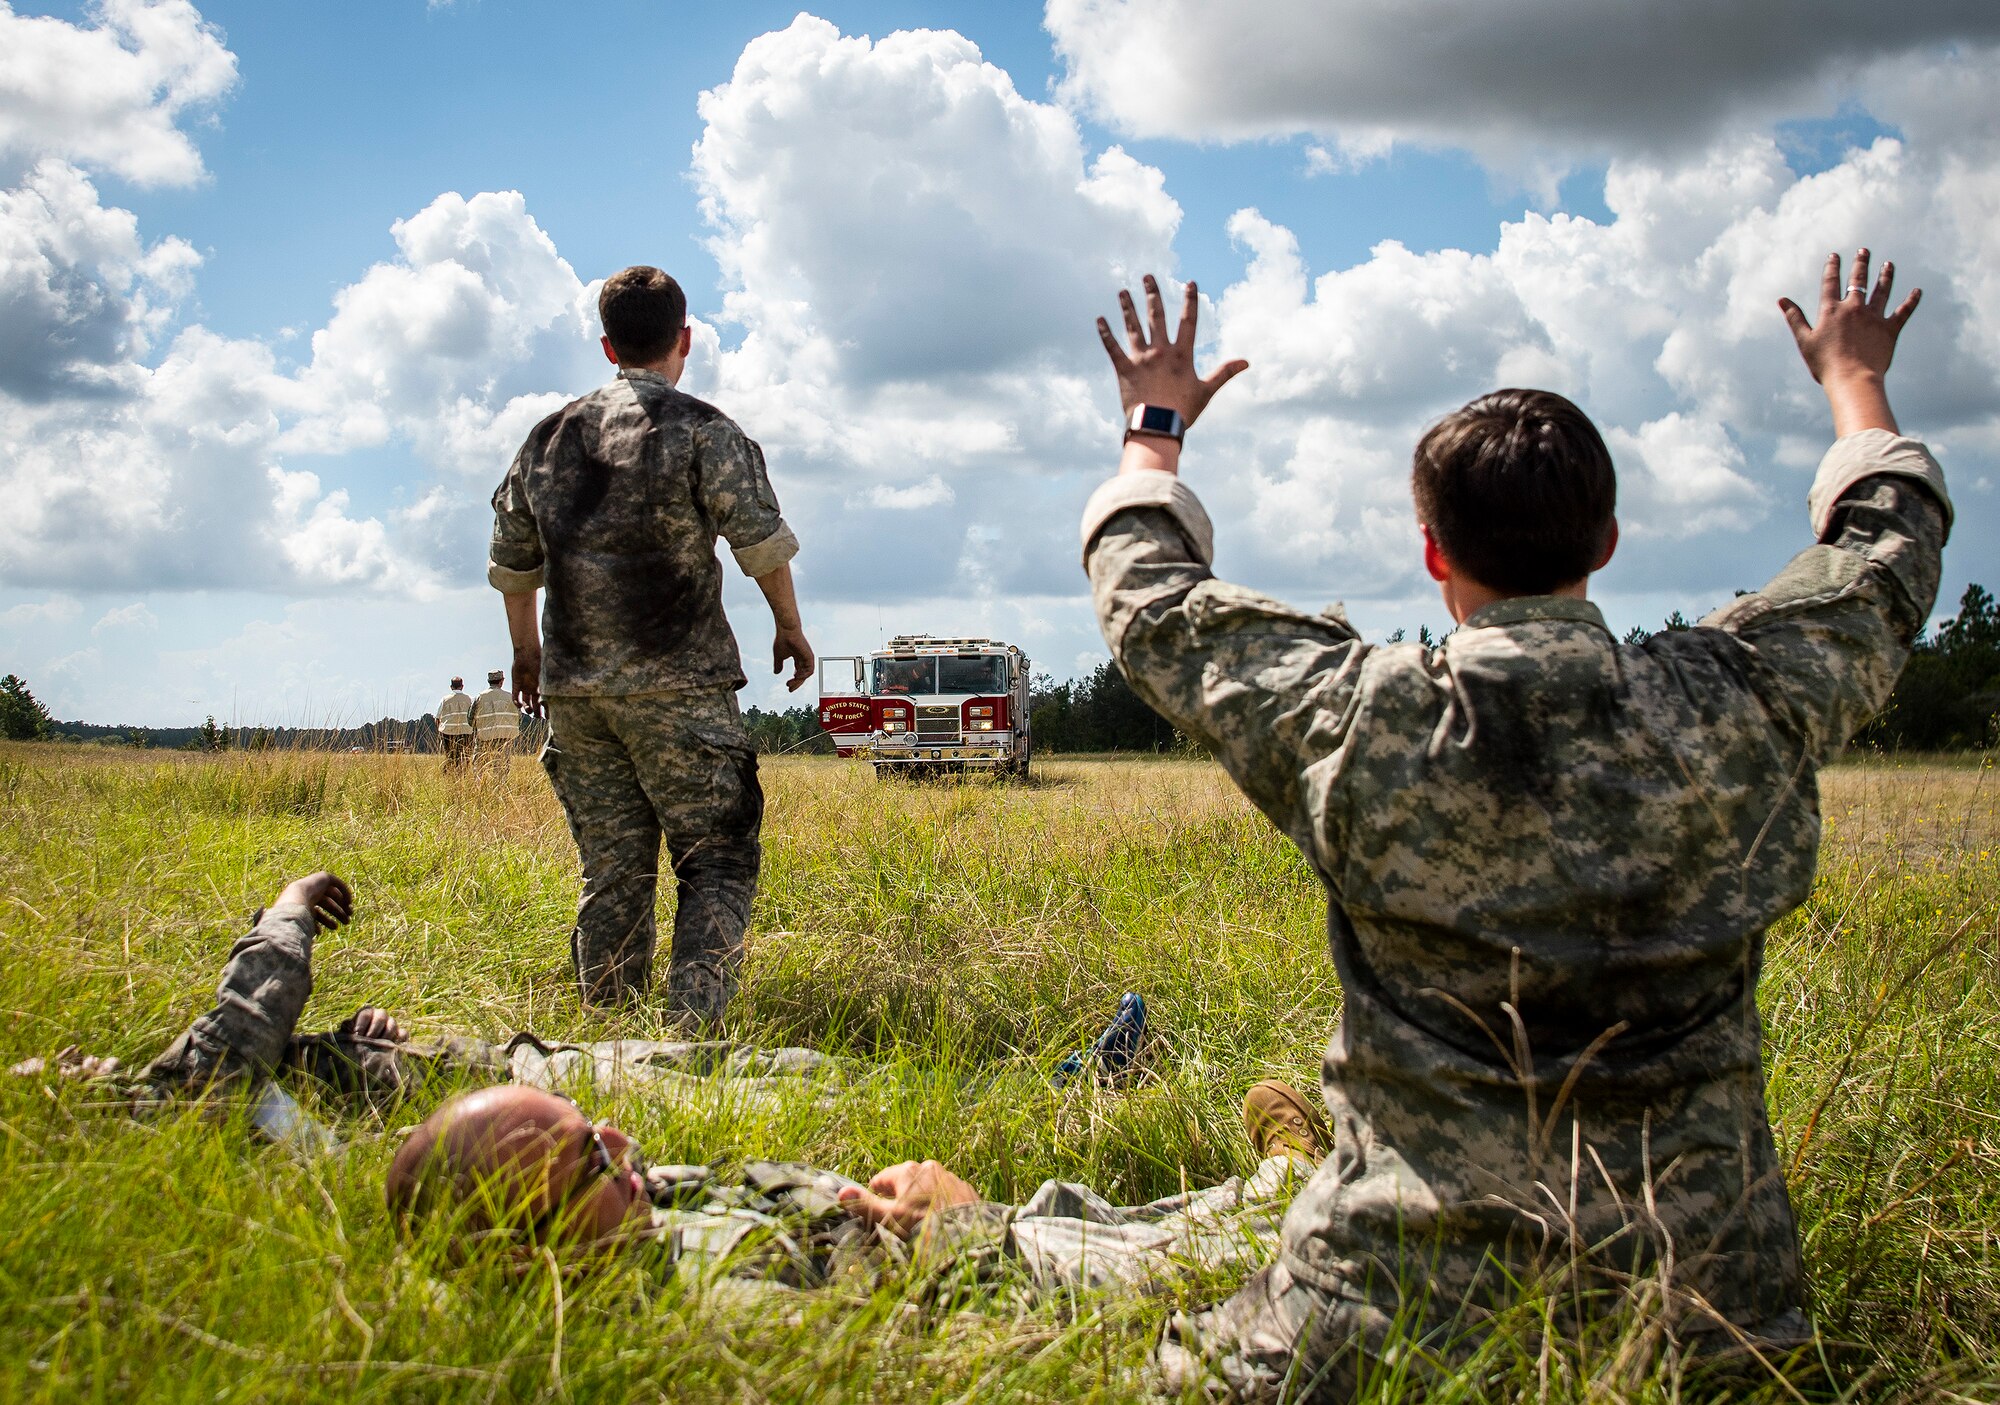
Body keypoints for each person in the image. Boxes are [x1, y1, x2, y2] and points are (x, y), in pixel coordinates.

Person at [1076, 249, 1948, 1397]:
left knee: (1048, 1266)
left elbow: (1149, 597)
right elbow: (1883, 551)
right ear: (1606, 543)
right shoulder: (1743, 698)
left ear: (1432, 551)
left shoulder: (1357, 713)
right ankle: (1283, 1172)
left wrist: (1153, 423)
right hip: (1706, 1330)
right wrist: (1853, 383)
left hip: (1376, 1317)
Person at [488, 265, 815, 1021]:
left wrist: (528, 655)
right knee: (717, 859)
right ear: (685, 340)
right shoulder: (705, 431)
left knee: (613, 867)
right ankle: (690, 1031)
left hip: (575, 692)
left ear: (608, 345)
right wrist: (789, 627)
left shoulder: (546, 439)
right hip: (681, 688)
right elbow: (760, 541)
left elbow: (512, 557)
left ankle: (605, 1028)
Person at [469, 669, 519, 772]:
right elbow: (519, 717)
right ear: (502, 681)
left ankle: (480, 787)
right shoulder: (511, 697)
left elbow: (470, 719)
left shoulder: (479, 697)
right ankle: (500, 786)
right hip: (505, 737)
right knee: (501, 767)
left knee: (480, 767)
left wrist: (477, 728)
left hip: (483, 737)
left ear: (489, 681)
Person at [436, 676, 475, 771]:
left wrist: (440, 729)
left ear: (451, 687)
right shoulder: (470, 699)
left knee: (450, 756)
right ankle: (462, 775)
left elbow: (437, 718)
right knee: (465, 756)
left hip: (448, 733)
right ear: (462, 686)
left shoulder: (444, 700)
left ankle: (449, 774)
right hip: (466, 732)